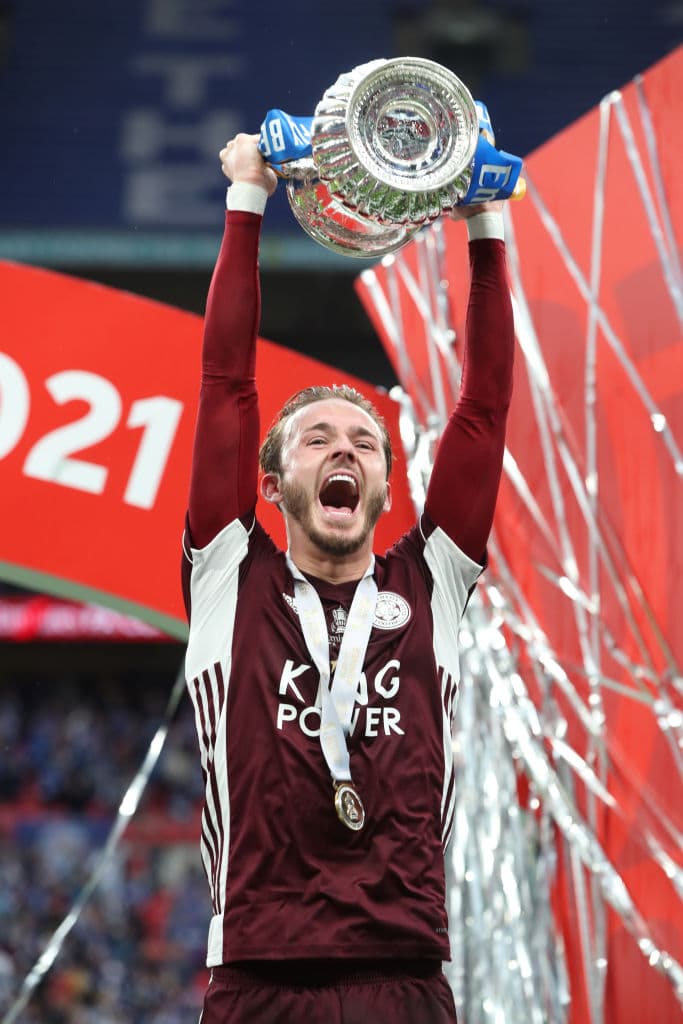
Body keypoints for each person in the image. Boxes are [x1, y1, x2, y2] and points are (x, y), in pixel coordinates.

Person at [181, 132, 514, 1024]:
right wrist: (246, 197)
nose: (344, 450)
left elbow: (482, 409)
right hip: (255, 976)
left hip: (404, 974)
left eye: (364, 442)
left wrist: (486, 221)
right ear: (272, 482)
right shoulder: (227, 573)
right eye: (318, 439)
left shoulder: (432, 577)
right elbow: (225, 384)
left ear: (383, 486)